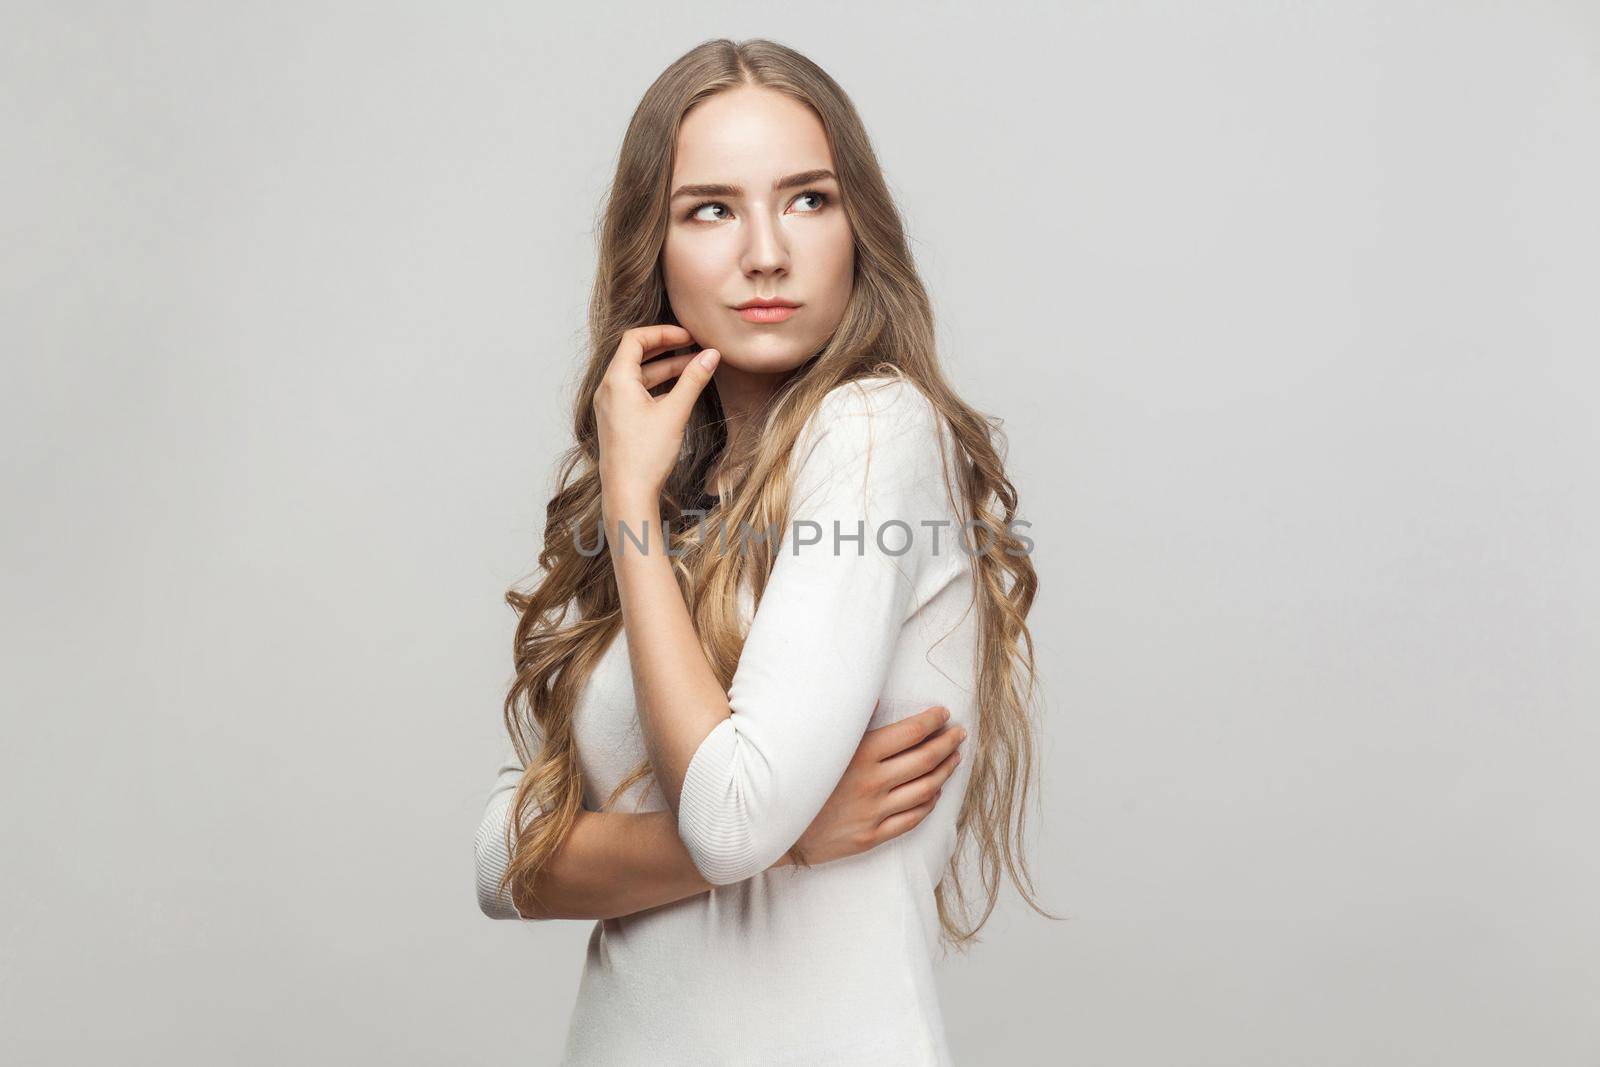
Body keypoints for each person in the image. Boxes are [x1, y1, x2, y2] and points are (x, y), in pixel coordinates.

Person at [473, 37, 1049, 1065]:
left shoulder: (874, 429)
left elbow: (732, 824)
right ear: (651, 246)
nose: (766, 252)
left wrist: (630, 511)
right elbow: (510, 859)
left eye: (808, 199)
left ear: (857, 227)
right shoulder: (680, 492)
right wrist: (792, 836)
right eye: (710, 208)